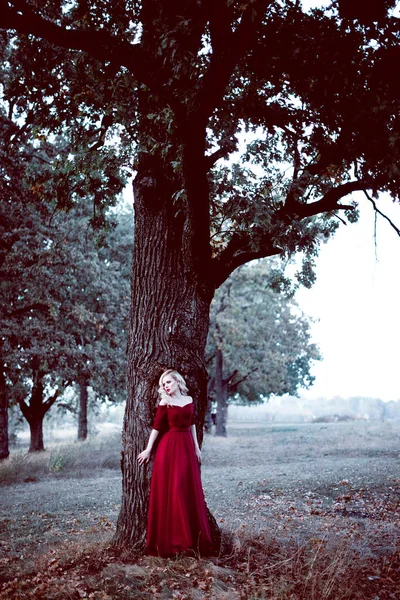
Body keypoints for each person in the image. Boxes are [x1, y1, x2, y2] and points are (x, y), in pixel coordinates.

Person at [138, 369, 214, 557]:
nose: (165, 386)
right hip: (169, 448)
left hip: (186, 447)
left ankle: (191, 540)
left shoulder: (189, 401)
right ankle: (175, 542)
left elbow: (193, 425)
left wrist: (197, 448)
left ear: (178, 382)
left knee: (186, 490)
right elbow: (156, 427)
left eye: (168, 382)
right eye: (163, 384)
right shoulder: (165, 402)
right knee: (174, 490)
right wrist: (148, 449)